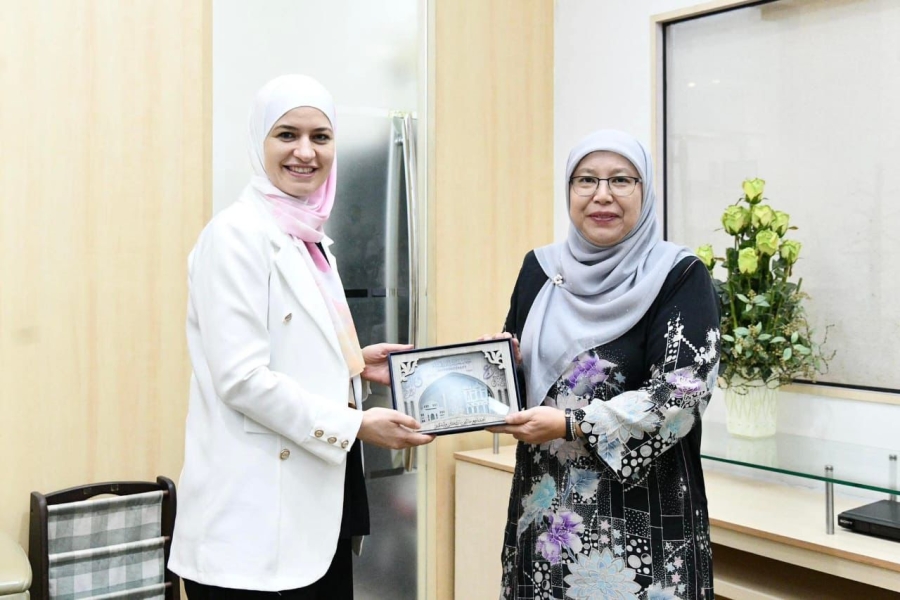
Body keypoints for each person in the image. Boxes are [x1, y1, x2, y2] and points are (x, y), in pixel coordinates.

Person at [168, 74, 434, 599]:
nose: (306, 152)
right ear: (259, 141)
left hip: (316, 511)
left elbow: (289, 346)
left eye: (321, 137)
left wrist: (353, 361)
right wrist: (357, 424)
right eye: (287, 134)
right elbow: (242, 378)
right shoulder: (236, 236)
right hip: (252, 527)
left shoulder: (308, 238)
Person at [487, 130, 720, 600]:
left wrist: (572, 423)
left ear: (645, 190)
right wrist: (501, 371)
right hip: (546, 518)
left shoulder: (679, 275)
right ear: (569, 190)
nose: (602, 195)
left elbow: (682, 394)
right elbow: (527, 383)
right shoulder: (539, 270)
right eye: (586, 180)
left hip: (641, 526)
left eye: (621, 180)